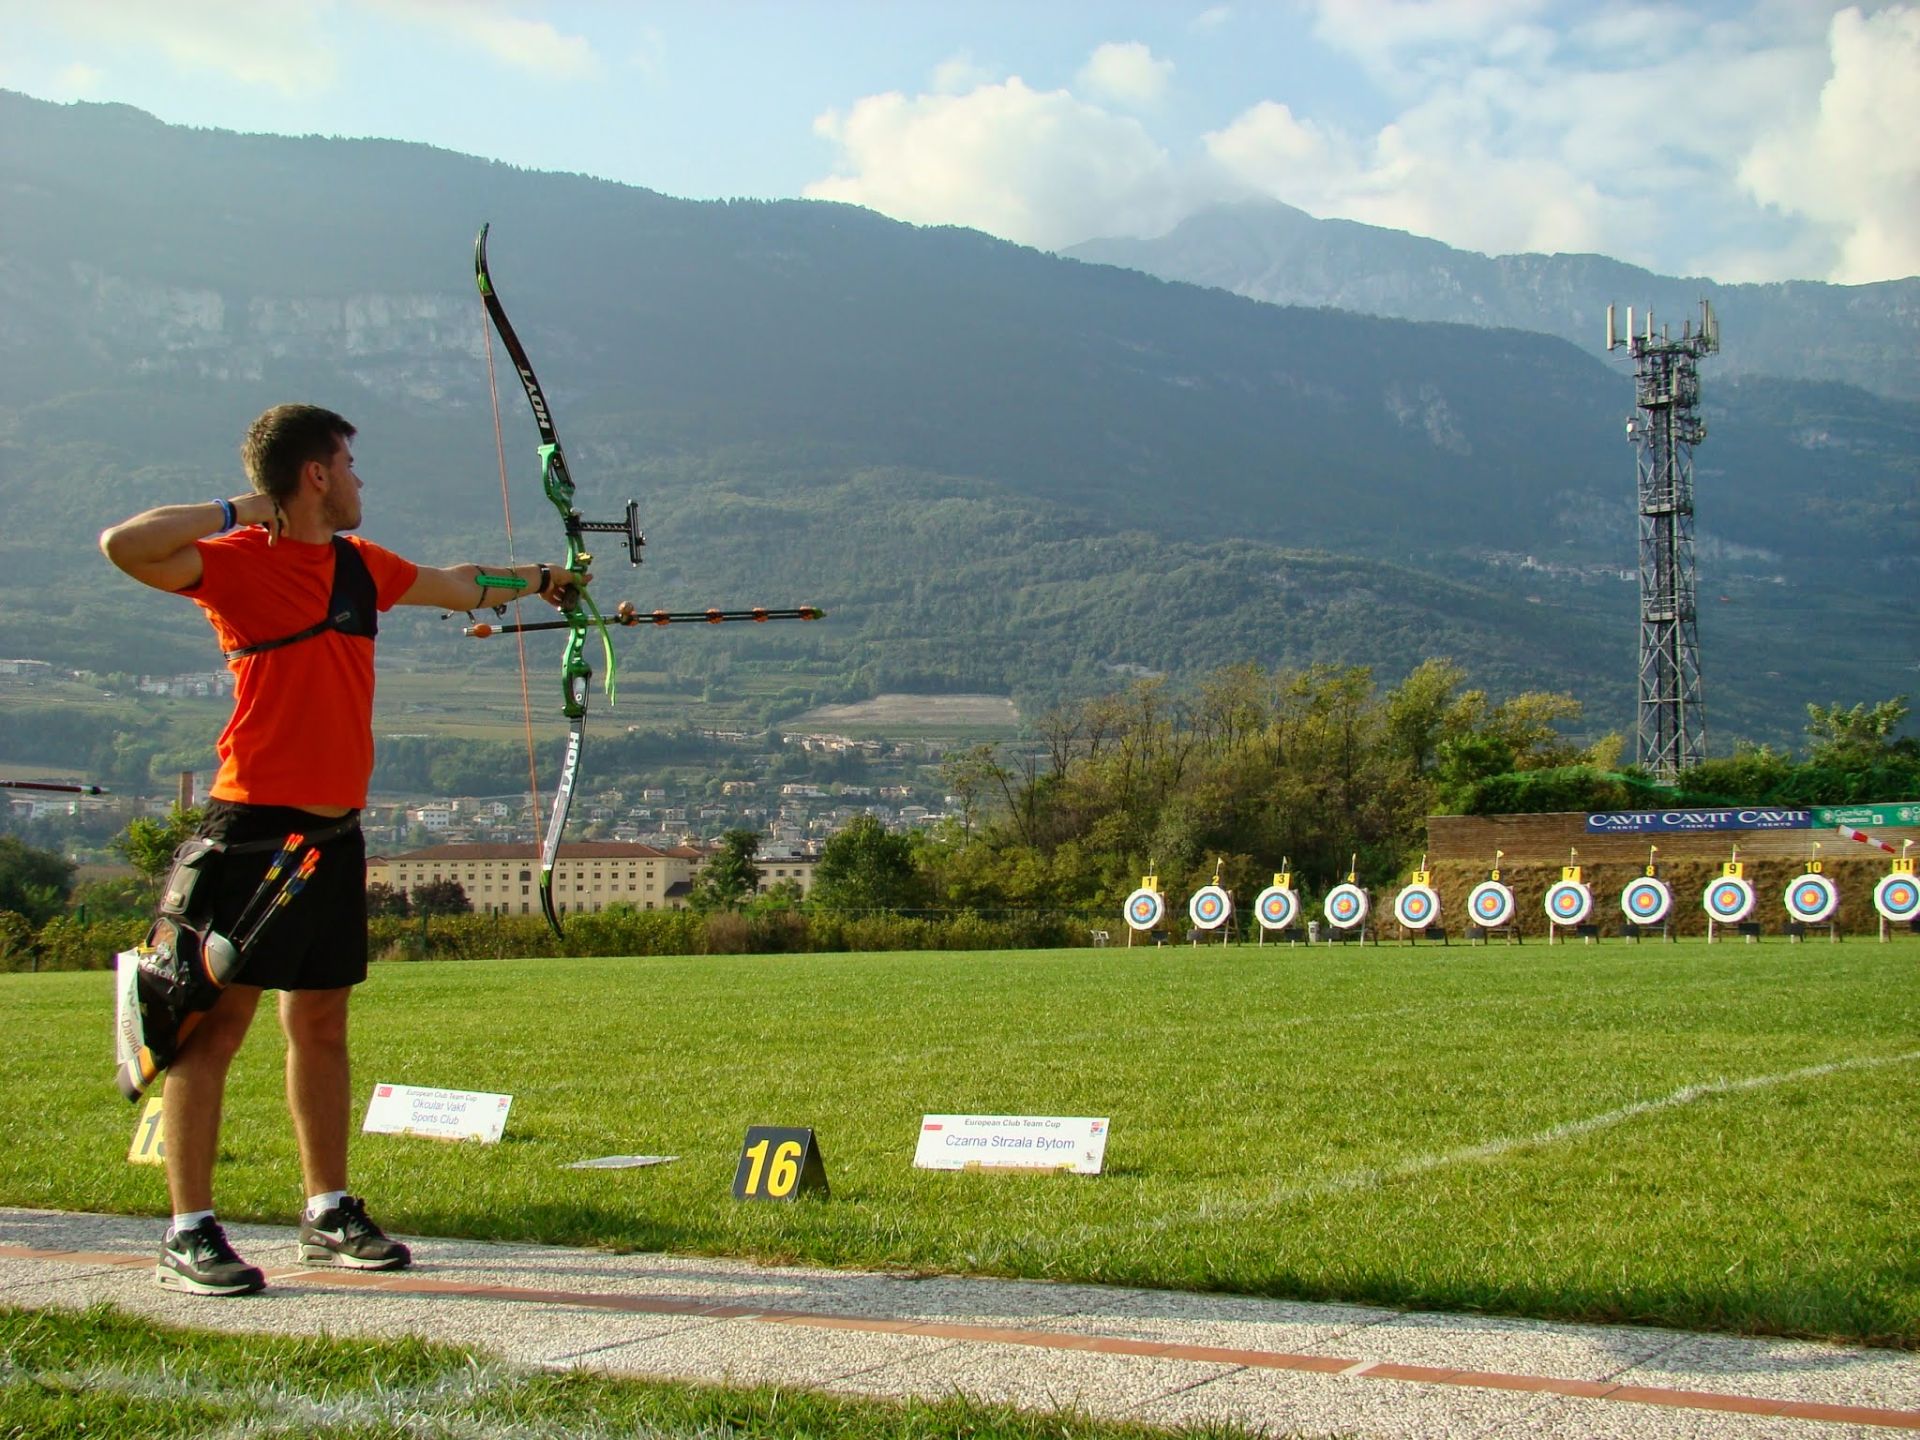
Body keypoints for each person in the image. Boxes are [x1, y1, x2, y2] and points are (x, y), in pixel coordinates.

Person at [99, 403, 580, 1296]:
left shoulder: (361, 567)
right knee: (214, 1030)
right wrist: (244, 506)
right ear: (315, 475)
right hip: (250, 830)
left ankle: (327, 1209)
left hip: (332, 833)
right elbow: (125, 545)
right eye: (349, 465)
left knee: (320, 1024)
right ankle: (189, 1228)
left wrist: (543, 578)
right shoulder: (238, 562)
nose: (361, 481)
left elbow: (453, 582)